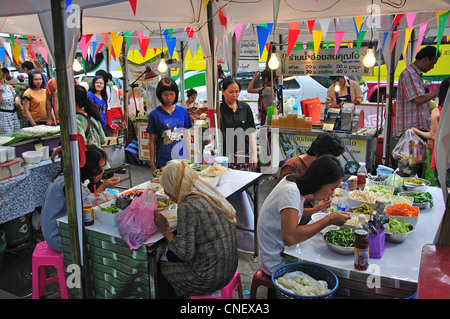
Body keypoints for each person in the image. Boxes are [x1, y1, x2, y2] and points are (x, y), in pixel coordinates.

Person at [154, 160, 238, 298]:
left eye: (168, 192)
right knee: (171, 255)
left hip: (209, 278)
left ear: (174, 186)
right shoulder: (209, 194)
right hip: (228, 268)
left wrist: (166, 232)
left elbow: (185, 254)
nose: (170, 197)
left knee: (160, 270)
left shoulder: (187, 207)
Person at [258, 155, 351, 276]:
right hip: (277, 263)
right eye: (331, 189)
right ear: (319, 182)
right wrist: (329, 219)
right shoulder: (290, 192)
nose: (332, 193)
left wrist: (315, 209)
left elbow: (292, 213)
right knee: (334, 269)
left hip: (284, 251)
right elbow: (290, 238)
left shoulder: (293, 181)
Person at [41, 144, 108, 252]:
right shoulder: (70, 183)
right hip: (58, 237)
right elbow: (87, 210)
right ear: (88, 167)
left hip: (55, 231)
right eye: (99, 167)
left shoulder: (69, 176)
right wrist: (103, 187)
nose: (103, 171)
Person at [277, 132, 356, 218]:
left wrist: (345, 185)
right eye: (331, 161)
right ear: (319, 155)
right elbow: (289, 203)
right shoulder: (292, 168)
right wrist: (320, 198)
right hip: (299, 215)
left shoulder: (316, 165)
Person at [392, 45, 441, 176]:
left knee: (413, 172)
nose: (432, 67)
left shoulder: (416, 75)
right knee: (406, 170)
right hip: (409, 133)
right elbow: (418, 100)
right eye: (432, 63)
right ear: (425, 60)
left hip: (415, 132)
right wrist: (438, 91)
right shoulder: (410, 74)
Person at [146, 77, 192, 171]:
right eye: (165, 94)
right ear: (160, 94)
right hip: (163, 161)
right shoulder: (154, 114)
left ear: (176, 94)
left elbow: (186, 136)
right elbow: (152, 141)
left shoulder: (183, 111)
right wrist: (152, 162)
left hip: (181, 159)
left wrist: (189, 158)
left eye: (172, 94)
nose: (169, 97)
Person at [411, 77, 450, 187]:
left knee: (442, 189)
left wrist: (417, 131)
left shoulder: (437, 112)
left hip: (442, 157)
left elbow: (433, 135)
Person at [220, 76, 257, 170]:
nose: (234, 95)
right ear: (223, 91)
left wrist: (254, 154)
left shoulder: (245, 107)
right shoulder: (219, 110)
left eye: (237, 92)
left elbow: (251, 132)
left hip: (244, 155)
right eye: (231, 92)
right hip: (225, 158)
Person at [96, 70, 127, 135]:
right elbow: (119, 105)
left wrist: (109, 123)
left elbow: (108, 107)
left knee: (111, 141)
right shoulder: (113, 89)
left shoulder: (104, 91)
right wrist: (123, 120)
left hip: (110, 119)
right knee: (118, 141)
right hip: (117, 118)